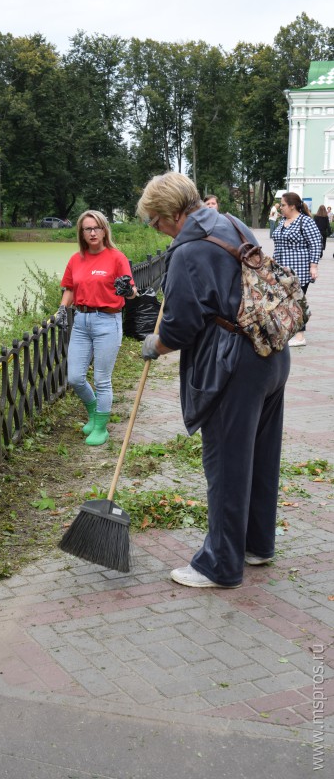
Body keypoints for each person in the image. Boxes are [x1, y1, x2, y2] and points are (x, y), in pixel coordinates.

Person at [138, 172, 290, 589]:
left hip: (234, 365)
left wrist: (154, 344)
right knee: (258, 457)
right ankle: (257, 545)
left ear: (172, 213)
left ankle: (219, 566)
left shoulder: (187, 253)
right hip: (271, 354)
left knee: (226, 463)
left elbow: (181, 328)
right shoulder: (232, 223)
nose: (157, 229)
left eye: (155, 221)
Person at [55, 210, 137, 446]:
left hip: (107, 322)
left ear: (104, 230)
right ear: (81, 232)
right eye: (87, 228)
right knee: (75, 377)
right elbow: (69, 288)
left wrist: (126, 290)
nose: (92, 233)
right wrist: (62, 309)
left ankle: (101, 427)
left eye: (97, 228)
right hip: (81, 321)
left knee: (102, 379)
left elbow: (132, 292)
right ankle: (93, 412)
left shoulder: (116, 257)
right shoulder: (76, 259)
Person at [272, 192, 321, 347]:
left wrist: (313, 266)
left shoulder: (305, 221)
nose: (280, 208)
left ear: (292, 206)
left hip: (299, 270)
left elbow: (315, 243)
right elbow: (278, 245)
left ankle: (300, 337)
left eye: (283, 205)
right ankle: (290, 332)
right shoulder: (282, 221)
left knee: (296, 303)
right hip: (281, 270)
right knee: (285, 302)